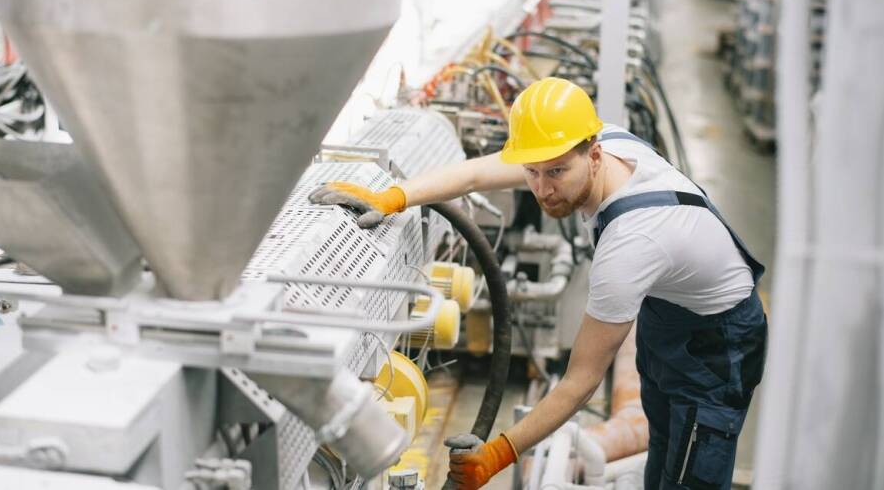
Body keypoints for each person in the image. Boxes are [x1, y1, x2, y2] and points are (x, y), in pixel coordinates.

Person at [310, 77, 768, 490]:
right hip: (670, 318)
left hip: (718, 344)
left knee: (691, 476)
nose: (543, 189)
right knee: (663, 453)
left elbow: (580, 382)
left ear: (592, 154)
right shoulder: (589, 144)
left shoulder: (632, 241)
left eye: (556, 173)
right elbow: (475, 173)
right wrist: (393, 196)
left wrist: (497, 454)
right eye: (533, 172)